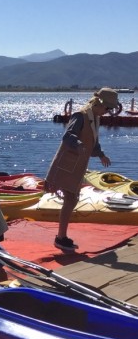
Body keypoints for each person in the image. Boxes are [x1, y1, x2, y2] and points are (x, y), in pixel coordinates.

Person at [45, 86, 118, 252]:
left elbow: (93, 141)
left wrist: (101, 155)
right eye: (107, 108)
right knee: (70, 199)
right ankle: (60, 238)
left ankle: (61, 236)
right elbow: (68, 135)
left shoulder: (95, 117)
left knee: (72, 199)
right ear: (99, 103)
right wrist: (78, 145)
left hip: (78, 166)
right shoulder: (81, 115)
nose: (107, 112)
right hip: (66, 165)